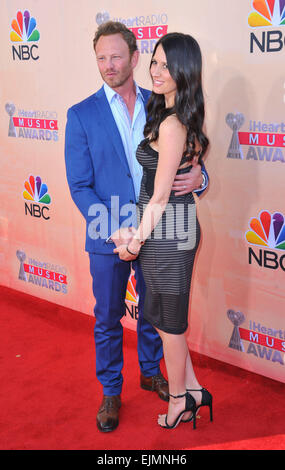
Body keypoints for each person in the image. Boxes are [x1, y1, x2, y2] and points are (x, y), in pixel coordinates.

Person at [65, 21, 209, 433]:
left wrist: (202, 180)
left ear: (133, 55)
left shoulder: (161, 102)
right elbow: (79, 185)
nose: (108, 65)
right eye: (101, 58)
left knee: (154, 312)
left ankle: (152, 371)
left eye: (115, 56)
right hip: (109, 233)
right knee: (108, 316)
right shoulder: (81, 114)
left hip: (162, 231)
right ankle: (112, 390)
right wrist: (115, 231)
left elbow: (186, 163)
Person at [115, 32, 213, 429]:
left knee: (169, 324)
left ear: (184, 71)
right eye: (154, 61)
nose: (157, 71)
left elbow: (158, 198)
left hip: (170, 236)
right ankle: (192, 389)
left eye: (167, 65)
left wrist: (135, 241)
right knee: (160, 317)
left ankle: (178, 401)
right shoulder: (168, 112)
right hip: (164, 233)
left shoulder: (173, 124)